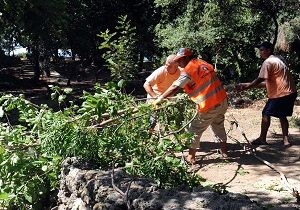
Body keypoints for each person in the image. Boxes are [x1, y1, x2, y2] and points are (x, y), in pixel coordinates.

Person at [153, 48, 228, 163]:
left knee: (194, 129)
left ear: (187, 58)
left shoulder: (189, 69)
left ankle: (191, 157)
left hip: (209, 104)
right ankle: (224, 153)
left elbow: (175, 87)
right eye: (177, 61)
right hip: (222, 101)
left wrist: (161, 98)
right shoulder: (203, 63)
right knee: (218, 125)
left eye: (180, 60)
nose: (178, 63)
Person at [236, 41, 297, 147]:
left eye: (262, 50)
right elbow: (269, 83)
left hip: (280, 93)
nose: (260, 52)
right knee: (282, 115)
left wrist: (247, 87)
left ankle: (262, 139)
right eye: (260, 50)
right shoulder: (279, 59)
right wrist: (246, 84)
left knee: (266, 113)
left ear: (269, 50)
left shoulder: (268, 62)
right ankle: (286, 141)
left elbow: (260, 79)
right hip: (290, 92)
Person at [144, 54, 180, 129]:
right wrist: (155, 97)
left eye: (169, 66)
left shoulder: (181, 72)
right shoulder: (161, 71)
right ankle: (147, 137)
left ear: (176, 66)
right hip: (155, 97)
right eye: (166, 64)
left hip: (168, 99)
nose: (166, 67)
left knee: (172, 120)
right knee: (152, 121)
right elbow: (146, 84)